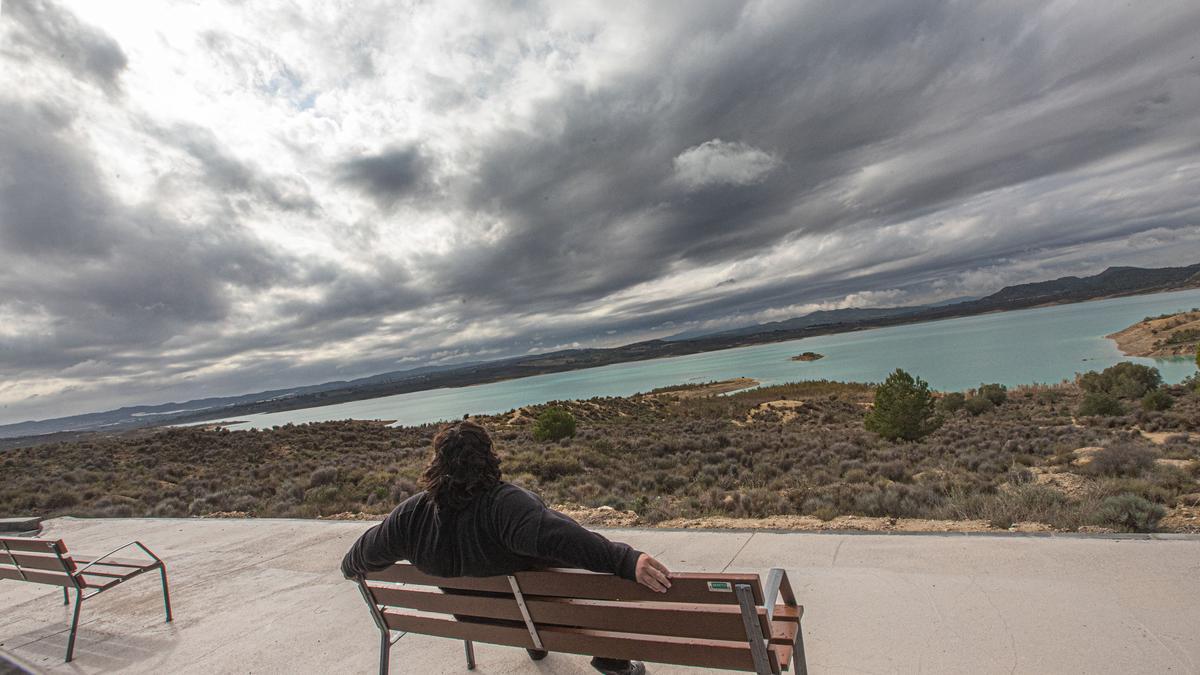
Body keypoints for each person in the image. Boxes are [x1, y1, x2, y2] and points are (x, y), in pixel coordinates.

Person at [341, 419, 672, 675]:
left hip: (484, 621)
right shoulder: (505, 508)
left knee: (528, 577)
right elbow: (571, 540)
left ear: (438, 464)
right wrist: (627, 560)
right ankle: (613, 662)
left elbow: (355, 559)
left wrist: (350, 567)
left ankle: (535, 643)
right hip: (543, 619)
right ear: (488, 457)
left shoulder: (411, 518)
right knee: (572, 574)